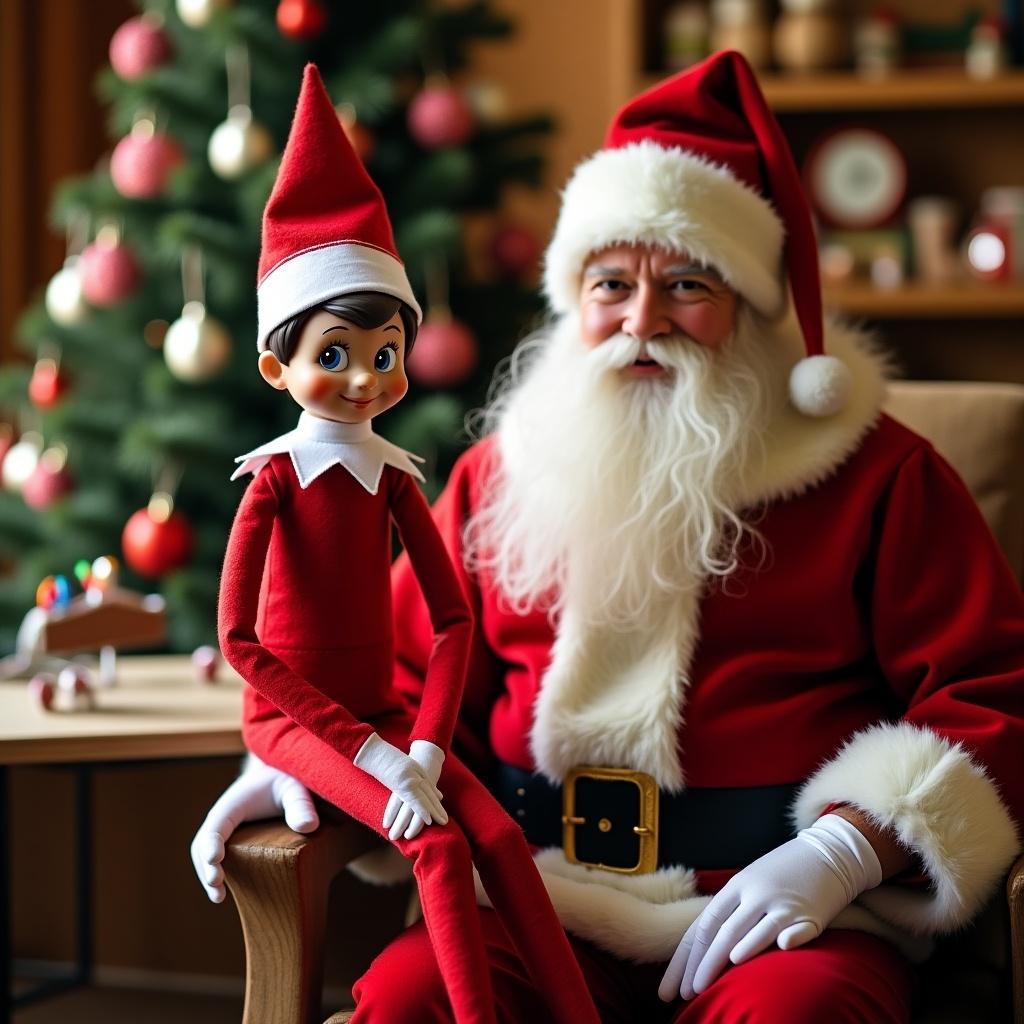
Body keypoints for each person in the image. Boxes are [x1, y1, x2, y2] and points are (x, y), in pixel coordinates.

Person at [193, 51, 1024, 1022]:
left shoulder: (878, 476)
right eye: (611, 283)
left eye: (686, 286)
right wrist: (298, 762)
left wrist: (844, 850)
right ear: (571, 296)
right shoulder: (496, 474)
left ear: (751, 310)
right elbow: (403, 679)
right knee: (409, 998)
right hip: (531, 892)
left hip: (776, 912)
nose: (640, 321)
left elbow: (992, 693)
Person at [201, 64, 600, 1024]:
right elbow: (241, 645)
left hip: (385, 716)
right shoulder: (276, 483)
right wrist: (369, 760)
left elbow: (454, 617)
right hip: (299, 725)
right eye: (333, 356)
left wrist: (420, 739)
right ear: (277, 365)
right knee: (435, 846)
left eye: (385, 355)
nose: (365, 379)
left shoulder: (395, 478)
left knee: (498, 837)